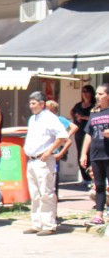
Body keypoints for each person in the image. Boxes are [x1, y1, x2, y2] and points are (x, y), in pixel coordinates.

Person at [22, 91, 69, 236]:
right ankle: (37, 223)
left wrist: (50, 151)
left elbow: (62, 136)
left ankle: (49, 224)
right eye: (30, 103)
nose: (31, 106)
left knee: (46, 193)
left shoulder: (50, 117)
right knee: (35, 194)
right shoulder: (32, 119)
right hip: (32, 160)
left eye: (34, 103)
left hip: (43, 160)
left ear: (42, 104)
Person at [79, 83, 109, 225]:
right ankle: (99, 215)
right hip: (96, 155)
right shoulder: (94, 113)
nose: (97, 96)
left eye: (101, 94)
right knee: (99, 186)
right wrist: (84, 153)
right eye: (96, 94)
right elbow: (88, 134)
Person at [46, 100, 78, 218]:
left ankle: (53, 213)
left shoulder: (58, 120)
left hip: (54, 153)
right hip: (45, 154)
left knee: (52, 184)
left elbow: (74, 127)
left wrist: (65, 138)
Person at [71, 84, 96, 186]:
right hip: (80, 132)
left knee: (90, 154)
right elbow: (72, 112)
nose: (85, 94)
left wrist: (85, 117)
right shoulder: (78, 105)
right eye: (83, 92)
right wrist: (76, 118)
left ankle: (92, 177)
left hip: (91, 132)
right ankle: (85, 178)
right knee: (81, 154)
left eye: (87, 91)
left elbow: (94, 117)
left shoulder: (94, 105)